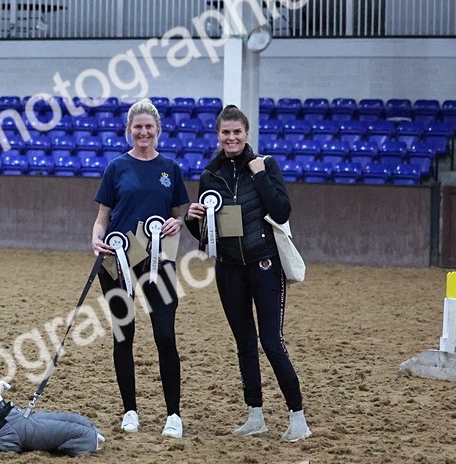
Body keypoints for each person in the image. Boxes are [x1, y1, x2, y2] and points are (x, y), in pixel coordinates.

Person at [185, 105, 311, 442]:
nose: (231, 138)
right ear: (218, 135)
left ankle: (297, 415)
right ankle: (255, 414)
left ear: (246, 133)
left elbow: (282, 210)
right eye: (225, 133)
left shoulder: (266, 165)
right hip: (228, 270)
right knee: (244, 343)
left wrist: (258, 174)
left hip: (265, 265)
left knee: (271, 341)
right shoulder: (210, 175)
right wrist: (192, 219)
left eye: (236, 132)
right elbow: (206, 236)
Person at [91, 98, 189, 438]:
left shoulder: (170, 169)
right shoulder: (116, 168)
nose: (143, 132)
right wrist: (96, 241)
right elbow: (103, 217)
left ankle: (173, 415)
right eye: (138, 127)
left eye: (149, 127)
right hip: (118, 264)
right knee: (124, 335)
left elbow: (181, 211)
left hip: (159, 263)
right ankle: (129, 410)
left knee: (165, 335)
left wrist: (177, 221)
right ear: (129, 130)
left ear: (158, 130)